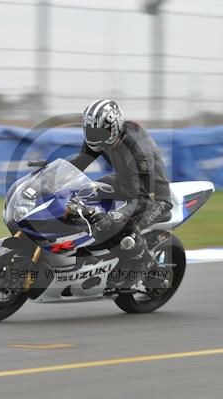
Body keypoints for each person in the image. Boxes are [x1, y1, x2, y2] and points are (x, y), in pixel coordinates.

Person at [69, 99, 172, 289]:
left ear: (113, 128)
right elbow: (80, 163)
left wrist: (116, 216)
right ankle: (85, 253)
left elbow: (143, 199)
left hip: (153, 197)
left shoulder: (139, 150)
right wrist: (51, 175)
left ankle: (142, 262)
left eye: (96, 131)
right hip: (123, 183)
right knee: (81, 196)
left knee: (125, 228)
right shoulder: (102, 138)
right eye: (89, 130)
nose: (92, 135)